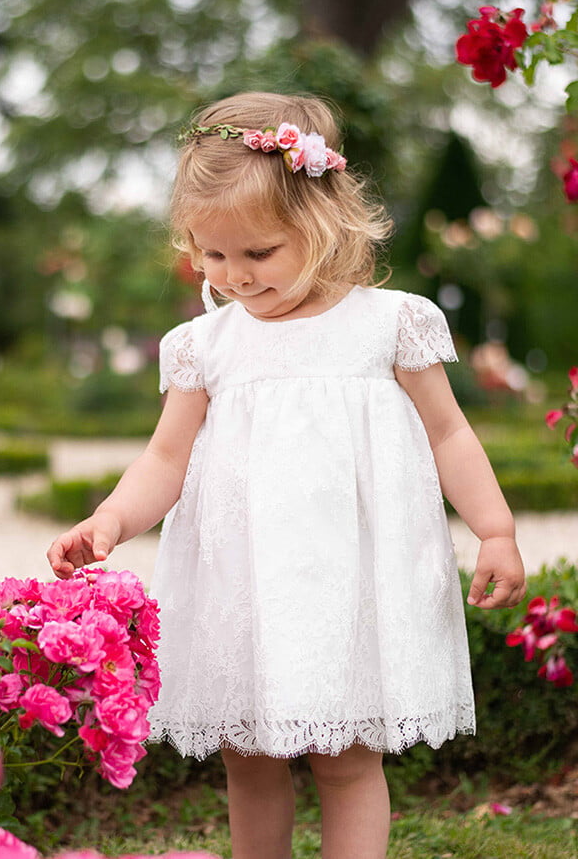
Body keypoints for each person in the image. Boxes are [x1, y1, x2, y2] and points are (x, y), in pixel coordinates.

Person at [47, 92, 526, 859]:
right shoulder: (205, 345)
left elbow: (450, 432)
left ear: (322, 223)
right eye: (213, 255)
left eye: (258, 253)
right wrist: (111, 519)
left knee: (346, 756)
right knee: (251, 753)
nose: (234, 275)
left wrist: (495, 527)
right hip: (247, 579)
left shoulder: (386, 324)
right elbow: (166, 457)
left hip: (349, 579)